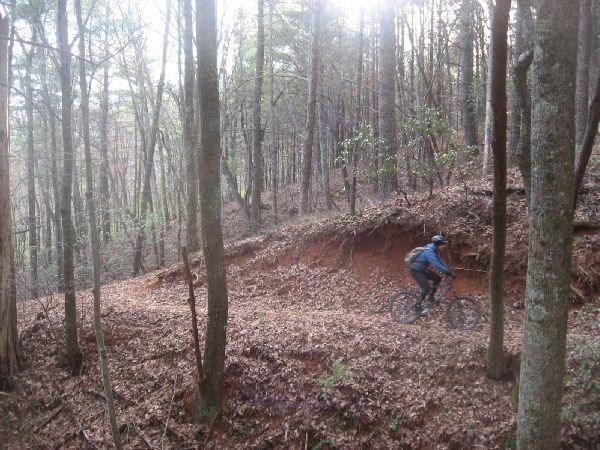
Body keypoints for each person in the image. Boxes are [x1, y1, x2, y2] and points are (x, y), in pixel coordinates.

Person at [409, 235, 456, 312]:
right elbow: (436, 264)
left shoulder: (434, 250)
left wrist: (448, 271)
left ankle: (431, 297)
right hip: (416, 271)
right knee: (426, 288)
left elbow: (440, 261)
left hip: (423, 270)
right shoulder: (429, 251)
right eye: (443, 244)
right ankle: (417, 306)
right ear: (438, 244)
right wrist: (448, 273)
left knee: (438, 278)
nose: (444, 246)